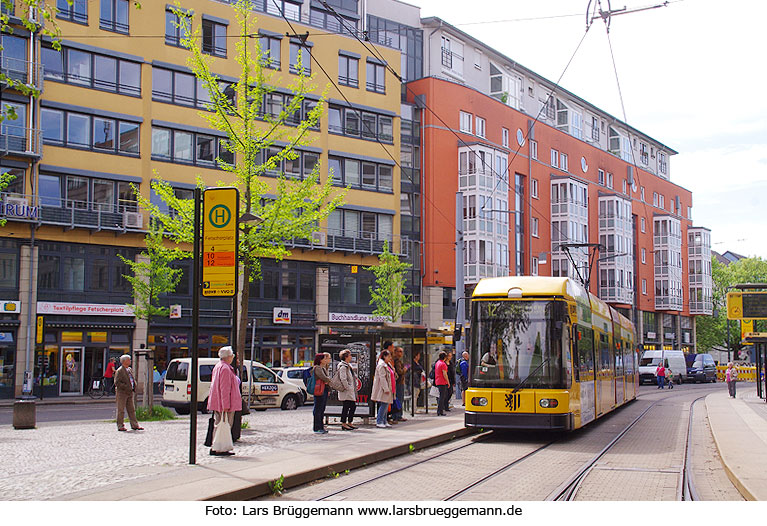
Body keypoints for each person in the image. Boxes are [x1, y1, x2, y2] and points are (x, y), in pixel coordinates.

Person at [207, 346, 241, 456]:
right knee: (224, 425)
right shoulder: (225, 369)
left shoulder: (218, 367)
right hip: (224, 404)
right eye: (232, 356)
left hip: (218, 402)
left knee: (220, 424)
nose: (233, 358)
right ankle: (219, 448)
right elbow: (224, 388)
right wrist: (226, 404)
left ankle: (219, 447)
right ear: (228, 357)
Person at [114, 354, 143, 432]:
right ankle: (120, 425)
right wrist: (126, 386)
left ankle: (134, 425)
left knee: (131, 409)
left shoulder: (129, 369)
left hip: (130, 392)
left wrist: (134, 386)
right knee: (121, 410)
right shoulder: (119, 371)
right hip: (122, 393)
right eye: (128, 360)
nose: (130, 361)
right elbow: (117, 382)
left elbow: (131, 379)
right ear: (124, 361)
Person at [371, 349, 394, 428]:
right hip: (382, 388)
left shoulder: (386, 364)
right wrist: (386, 388)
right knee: (384, 404)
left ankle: (384, 420)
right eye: (389, 356)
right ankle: (380, 421)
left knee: (386, 405)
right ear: (384, 356)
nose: (390, 358)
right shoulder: (381, 365)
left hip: (386, 387)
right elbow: (382, 378)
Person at [336, 349, 358, 430]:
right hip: (346, 391)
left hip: (350, 390)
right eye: (350, 355)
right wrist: (347, 387)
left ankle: (349, 422)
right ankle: (344, 423)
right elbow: (343, 378)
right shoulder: (343, 366)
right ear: (346, 357)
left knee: (352, 406)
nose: (351, 357)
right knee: (347, 406)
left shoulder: (348, 365)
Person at [312, 353, 333, 434]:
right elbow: (324, 378)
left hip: (323, 389)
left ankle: (321, 426)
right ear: (320, 360)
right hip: (319, 390)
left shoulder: (323, 368)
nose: (326, 360)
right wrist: (328, 380)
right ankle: (317, 427)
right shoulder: (317, 368)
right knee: (318, 409)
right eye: (324, 358)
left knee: (321, 409)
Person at [392, 346, 407, 422]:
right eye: (399, 351)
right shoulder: (397, 361)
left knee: (398, 399)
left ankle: (396, 415)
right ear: (396, 352)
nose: (401, 353)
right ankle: (398, 415)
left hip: (398, 382)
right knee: (399, 399)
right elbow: (400, 372)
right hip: (399, 382)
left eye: (402, 351)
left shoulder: (397, 360)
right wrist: (404, 370)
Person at [434, 351, 449, 415]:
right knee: (442, 397)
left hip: (438, 381)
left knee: (440, 396)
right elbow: (444, 373)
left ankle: (439, 411)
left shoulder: (437, 363)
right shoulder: (443, 364)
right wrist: (448, 382)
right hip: (442, 382)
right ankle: (440, 411)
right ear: (445, 357)